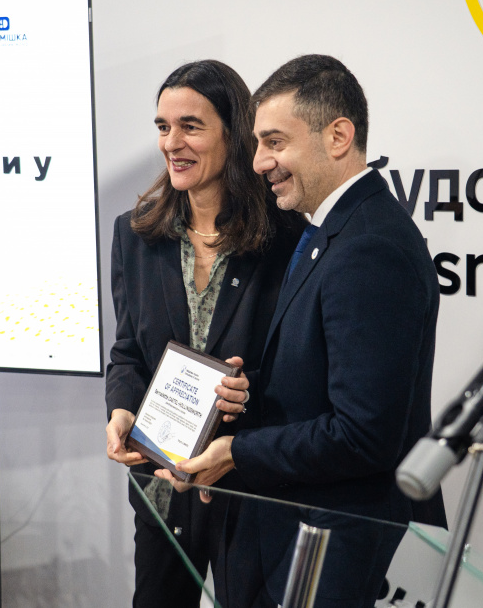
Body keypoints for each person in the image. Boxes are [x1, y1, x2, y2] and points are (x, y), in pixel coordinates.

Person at [162, 54, 447, 606]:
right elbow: (316, 377)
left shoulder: (370, 247)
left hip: (332, 540)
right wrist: (248, 391)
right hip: (295, 527)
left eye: (274, 142)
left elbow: (362, 434)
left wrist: (237, 453)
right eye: (257, 143)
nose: (259, 161)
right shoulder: (332, 229)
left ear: (338, 136)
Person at [105, 60, 304, 608]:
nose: (172, 143)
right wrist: (121, 408)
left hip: (246, 489)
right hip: (161, 488)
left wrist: (247, 391)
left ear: (233, 133)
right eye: (163, 127)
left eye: (190, 126)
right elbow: (127, 351)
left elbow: (299, 367)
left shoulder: (287, 237)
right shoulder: (135, 234)